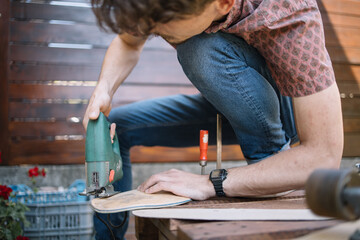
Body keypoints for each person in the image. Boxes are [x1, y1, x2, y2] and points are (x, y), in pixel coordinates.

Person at [83, 0, 344, 238]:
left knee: (197, 47)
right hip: (227, 103)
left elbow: (324, 156)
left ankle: (271, 161)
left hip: (283, 114)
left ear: (223, 4)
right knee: (121, 125)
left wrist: (211, 183)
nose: (156, 35)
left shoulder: (292, 14)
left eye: (165, 32)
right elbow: (129, 42)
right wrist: (103, 90)